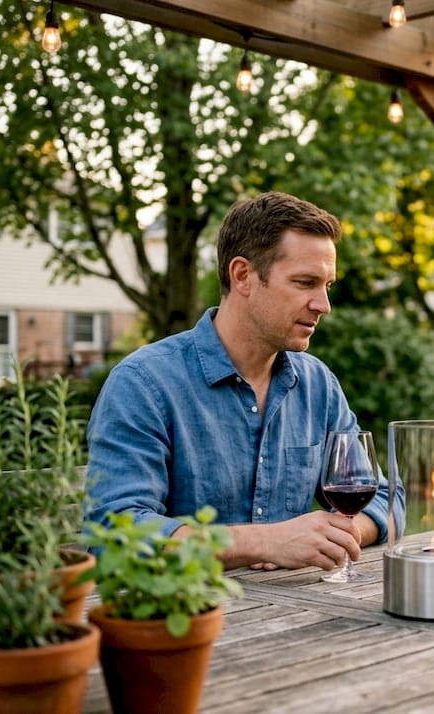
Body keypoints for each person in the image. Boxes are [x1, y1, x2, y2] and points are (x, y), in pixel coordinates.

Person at [84, 191, 394, 572]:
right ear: (243, 276)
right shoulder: (144, 384)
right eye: (305, 282)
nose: (323, 304)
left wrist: (335, 537)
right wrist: (263, 543)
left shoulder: (318, 385)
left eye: (326, 285)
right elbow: (114, 531)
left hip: (299, 616)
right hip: (186, 620)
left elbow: (386, 499)